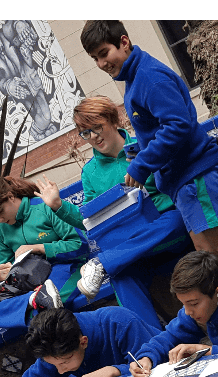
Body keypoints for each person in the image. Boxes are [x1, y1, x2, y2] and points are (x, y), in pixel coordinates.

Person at [81, 20, 218, 279]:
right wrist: (142, 148)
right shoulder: (136, 78)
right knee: (208, 255)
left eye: (104, 53)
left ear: (124, 42)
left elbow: (179, 124)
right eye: (95, 58)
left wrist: (142, 164)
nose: (101, 63)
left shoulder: (148, 77)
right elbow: (167, 125)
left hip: (195, 174)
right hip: (185, 180)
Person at [69, 95, 194, 328]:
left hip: (166, 233)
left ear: (112, 120)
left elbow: (175, 183)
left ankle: (102, 263)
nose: (94, 137)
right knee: (121, 275)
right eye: (86, 133)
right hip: (132, 248)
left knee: (177, 219)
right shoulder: (90, 172)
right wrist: (58, 206)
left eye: (97, 128)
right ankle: (151, 347)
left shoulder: (145, 145)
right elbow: (90, 220)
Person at [0, 173, 92, 333]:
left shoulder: (44, 206)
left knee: (48, 310)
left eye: (0, 211)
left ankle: (37, 308)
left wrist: (39, 248)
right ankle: (35, 301)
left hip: (64, 270)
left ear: (10, 196)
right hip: (26, 285)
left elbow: (80, 246)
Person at [11, 306, 159, 377]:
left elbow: (158, 362)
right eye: (55, 365)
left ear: (83, 342)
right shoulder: (53, 350)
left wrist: (113, 371)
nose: (61, 371)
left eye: (65, 362)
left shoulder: (119, 322)